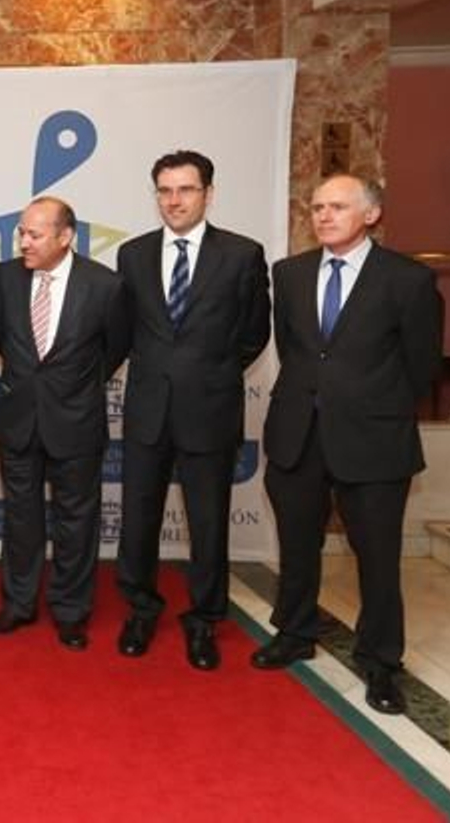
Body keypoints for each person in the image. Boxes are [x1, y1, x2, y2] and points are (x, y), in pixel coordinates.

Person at [255, 174, 442, 716]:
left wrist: (368, 403)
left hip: (374, 439)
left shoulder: (407, 280)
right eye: (316, 207)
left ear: (371, 215)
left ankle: (381, 661)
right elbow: (296, 350)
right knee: (296, 546)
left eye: (337, 207)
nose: (324, 216)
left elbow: (421, 364)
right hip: (298, 435)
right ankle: (293, 632)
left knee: (378, 558)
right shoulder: (289, 274)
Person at [114, 150, 270, 670]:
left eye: (185, 190)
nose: (174, 200)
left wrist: (210, 372)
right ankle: (140, 608)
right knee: (138, 520)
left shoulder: (242, 254)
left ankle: (204, 621)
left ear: (208, 193)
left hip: (210, 409)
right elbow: (123, 331)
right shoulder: (133, 255)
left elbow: (253, 334)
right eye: (164, 190)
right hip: (147, 412)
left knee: (208, 525)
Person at [0, 197, 130, 651]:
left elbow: (115, 348)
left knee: (77, 520)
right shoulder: (3, 279)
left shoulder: (104, 285)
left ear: (65, 236)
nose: (23, 242)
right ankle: (18, 603)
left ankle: (71, 611)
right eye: (21, 233)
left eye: (34, 235)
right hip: (18, 418)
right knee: (21, 517)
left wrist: (74, 387)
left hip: (77, 420)